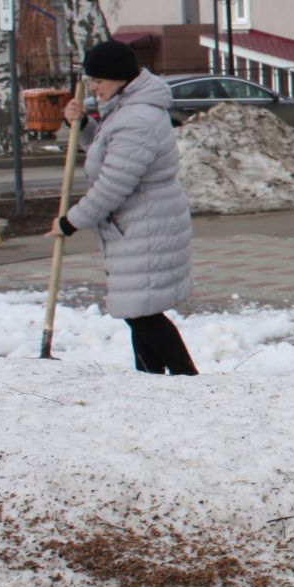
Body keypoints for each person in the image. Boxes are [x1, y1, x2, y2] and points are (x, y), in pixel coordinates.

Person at [46, 39, 197, 375]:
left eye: (98, 81)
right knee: (138, 309)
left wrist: (71, 222)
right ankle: (151, 377)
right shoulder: (127, 108)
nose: (93, 88)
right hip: (136, 223)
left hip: (146, 224)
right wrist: (83, 126)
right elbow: (106, 148)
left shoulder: (137, 118)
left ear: (119, 78)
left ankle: (187, 379)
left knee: (141, 310)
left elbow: (114, 184)